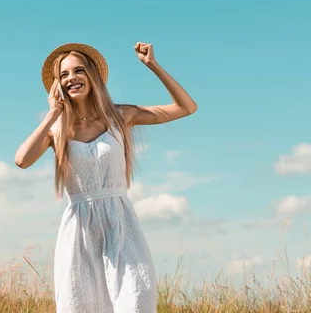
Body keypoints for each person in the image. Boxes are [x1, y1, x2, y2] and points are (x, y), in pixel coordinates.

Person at [14, 42, 198, 312]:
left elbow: (186, 107)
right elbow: (22, 160)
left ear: (92, 75)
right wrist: (53, 113)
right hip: (80, 234)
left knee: (137, 300)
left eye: (78, 71)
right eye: (63, 75)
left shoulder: (120, 116)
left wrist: (153, 66)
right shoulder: (57, 129)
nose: (71, 78)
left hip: (122, 227)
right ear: (57, 85)